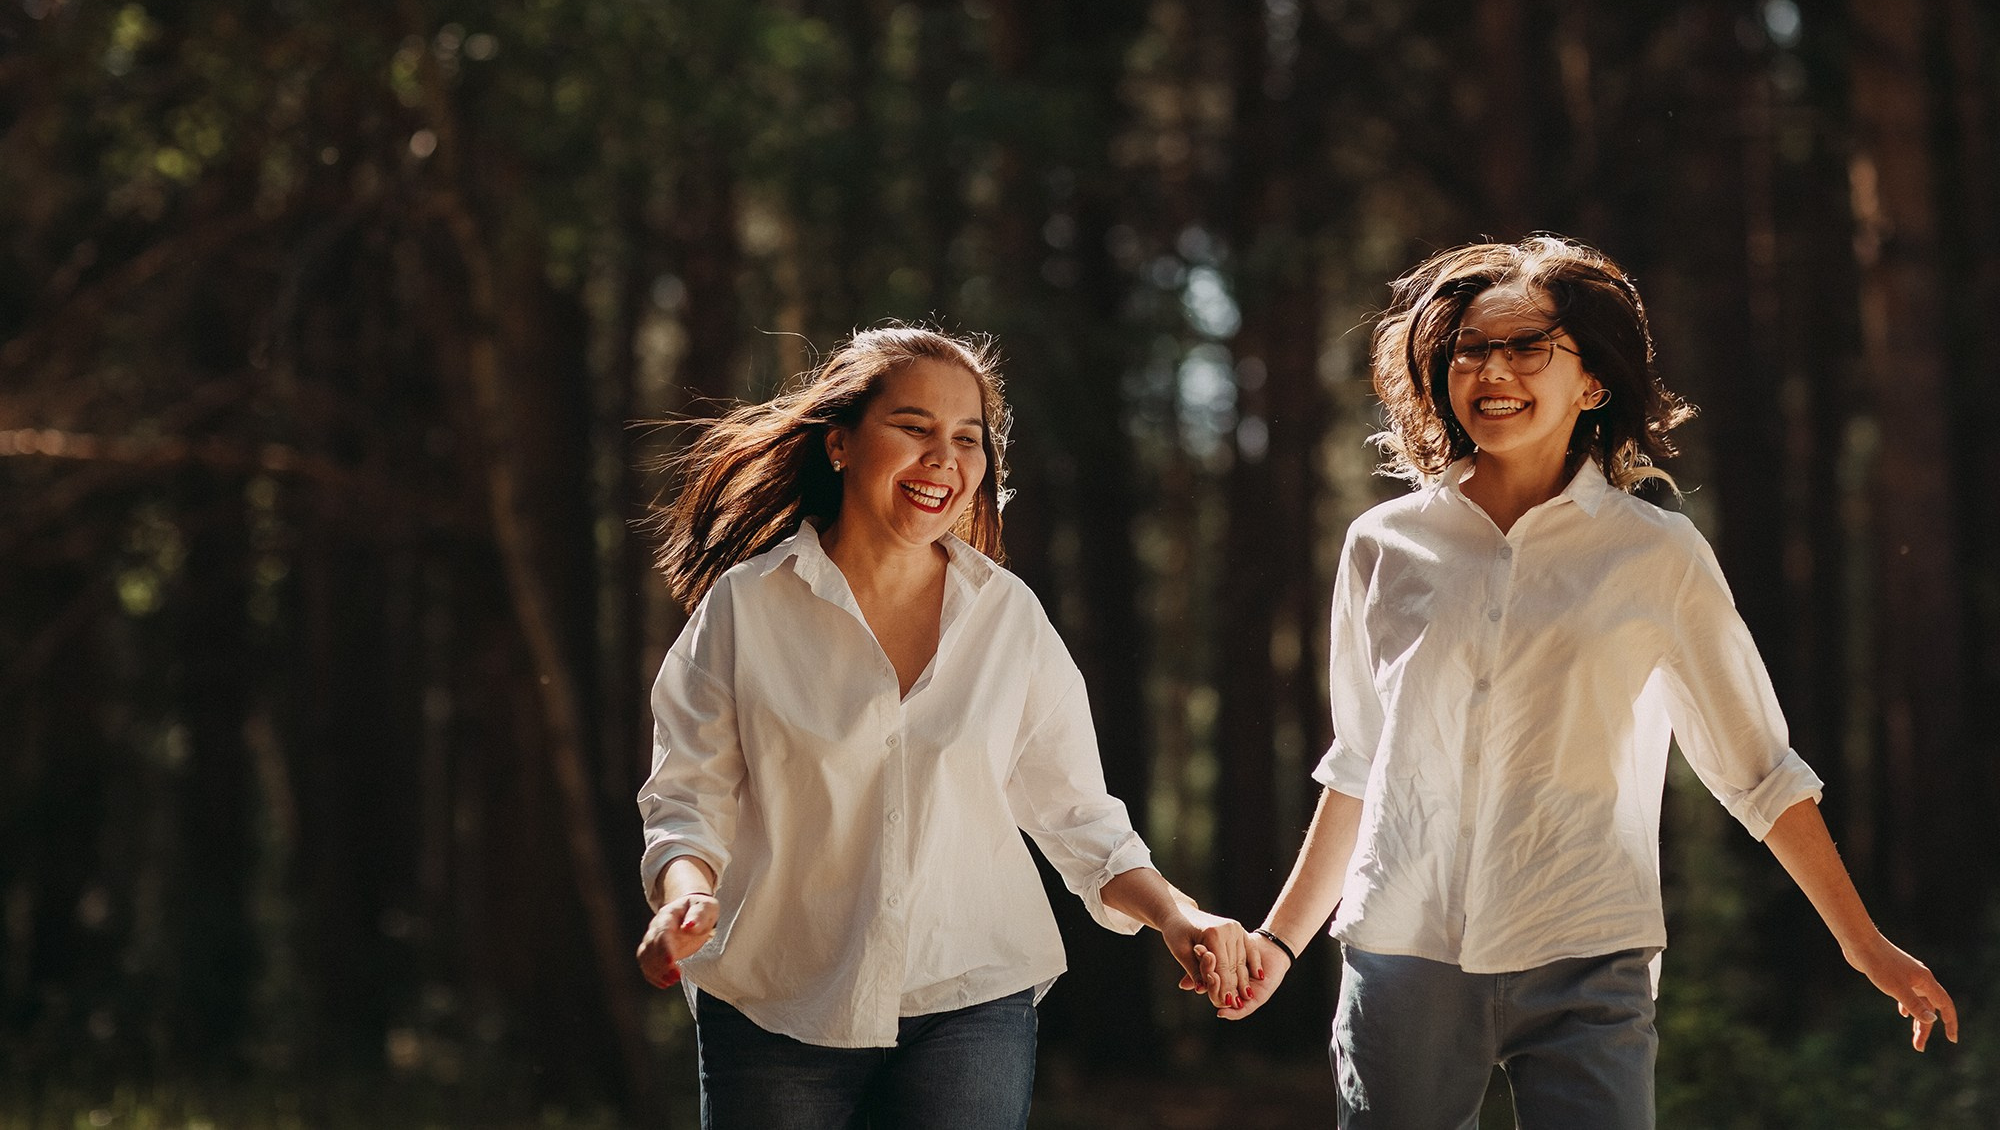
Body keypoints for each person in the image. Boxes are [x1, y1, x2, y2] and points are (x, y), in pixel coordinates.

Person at [1227, 236, 1958, 1128]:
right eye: (1470, 348)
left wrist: (1864, 943)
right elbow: (1361, 767)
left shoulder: (1658, 554)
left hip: (1589, 948)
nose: (1492, 368)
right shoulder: (1384, 544)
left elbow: (1757, 769)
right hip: (1404, 948)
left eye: (1527, 345)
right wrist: (1279, 940)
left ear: (1594, 383)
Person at [634, 324, 1255, 1130]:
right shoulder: (745, 609)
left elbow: (1077, 814)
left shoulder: (1007, 617)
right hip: (776, 999)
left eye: (968, 438)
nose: (945, 459)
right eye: (914, 427)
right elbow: (689, 797)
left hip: (971, 994)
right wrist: (684, 899)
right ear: (839, 444)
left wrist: (1179, 913)